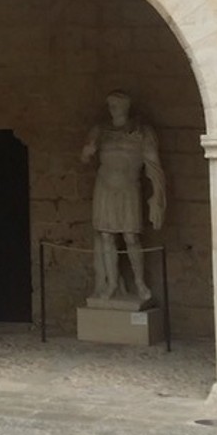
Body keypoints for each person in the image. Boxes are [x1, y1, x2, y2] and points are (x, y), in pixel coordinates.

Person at [81, 90, 166, 304]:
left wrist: (157, 196)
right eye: (110, 105)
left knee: (131, 236)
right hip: (105, 187)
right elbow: (84, 157)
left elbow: (153, 165)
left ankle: (139, 282)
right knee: (107, 236)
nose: (112, 108)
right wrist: (87, 151)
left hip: (129, 187)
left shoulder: (141, 132)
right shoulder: (100, 131)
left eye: (116, 105)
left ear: (126, 106)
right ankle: (111, 284)